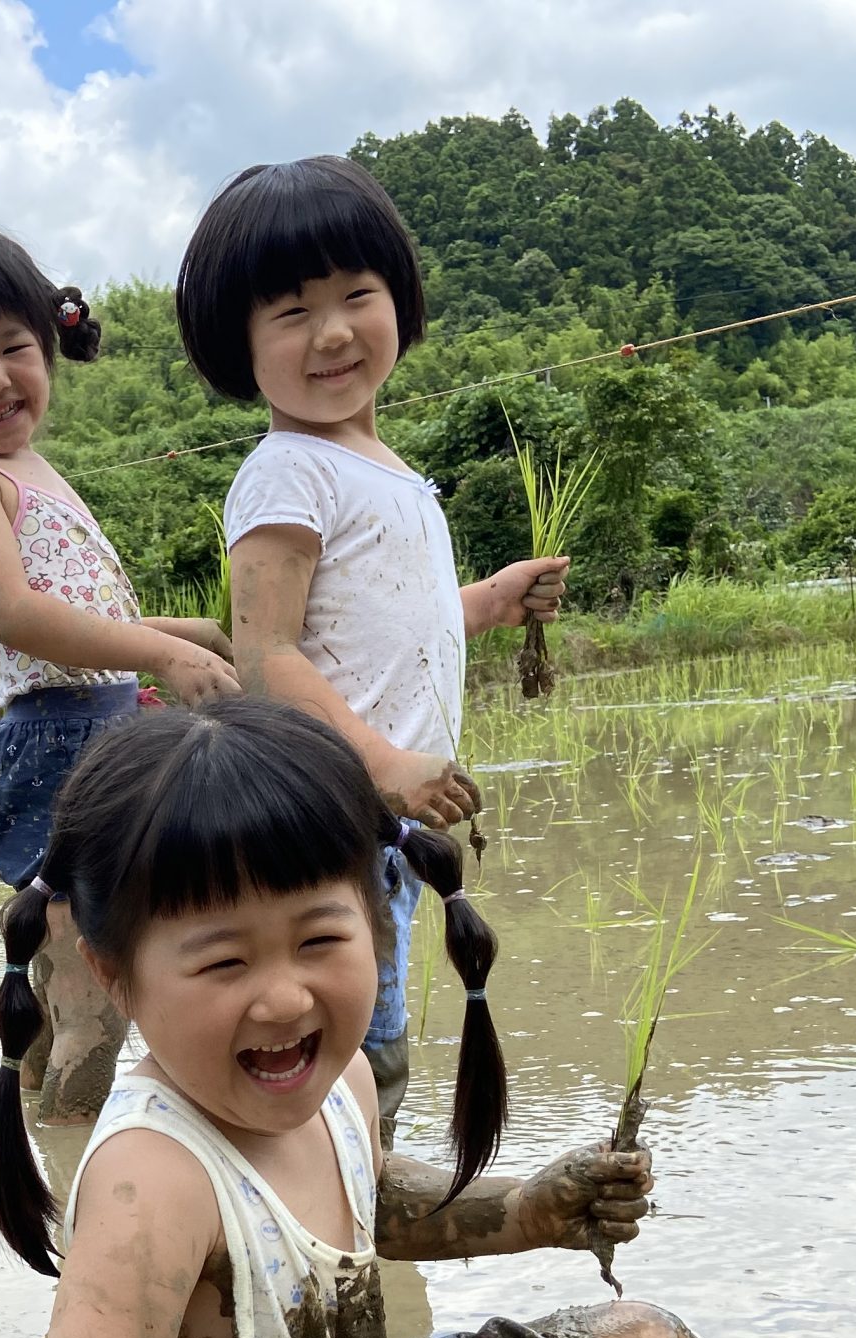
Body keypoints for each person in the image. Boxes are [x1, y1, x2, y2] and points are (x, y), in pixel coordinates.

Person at [0, 698, 704, 1338]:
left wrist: (529, 1210)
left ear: (381, 924)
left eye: (319, 939)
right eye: (223, 963)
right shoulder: (153, 1182)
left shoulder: (344, 1081)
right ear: (113, 973)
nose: (284, 999)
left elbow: (375, 1203)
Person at [178, 157, 571, 1144]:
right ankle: (338, 1232)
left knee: (370, 1035)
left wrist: (489, 600)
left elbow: (397, 624)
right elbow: (268, 654)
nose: (334, 332)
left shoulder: (386, 470)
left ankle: (354, 1223)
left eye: (357, 295)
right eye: (292, 312)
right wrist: (385, 762)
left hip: (378, 825)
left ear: (398, 300)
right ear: (241, 345)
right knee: (351, 1057)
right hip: (333, 816)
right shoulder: (285, 474)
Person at [0, 224, 241, 1122]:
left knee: (84, 978)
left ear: (50, 346)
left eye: (13, 348)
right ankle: (71, 1181)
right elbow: (16, 615)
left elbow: (84, 618)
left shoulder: (35, 469)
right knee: (98, 1005)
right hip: (57, 742)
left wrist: (192, 631)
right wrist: (162, 652)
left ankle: (36, 1108)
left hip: (98, 728)